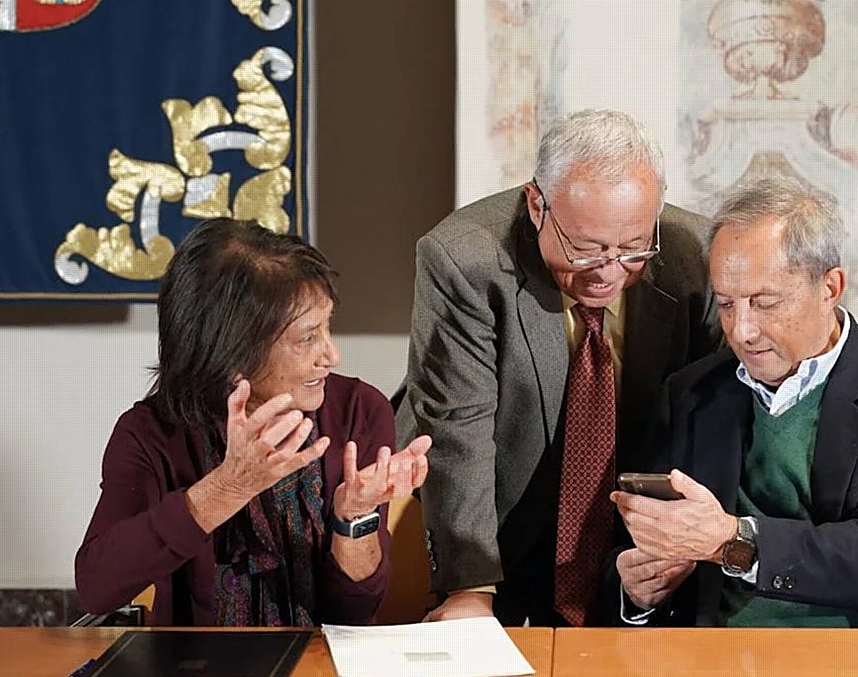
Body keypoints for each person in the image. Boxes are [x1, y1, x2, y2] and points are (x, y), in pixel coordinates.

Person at [395, 108, 721, 626]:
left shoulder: (697, 256)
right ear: (536, 204)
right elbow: (458, 429)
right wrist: (469, 589)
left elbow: (716, 415)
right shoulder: (467, 259)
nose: (609, 272)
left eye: (634, 249)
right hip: (493, 504)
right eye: (586, 249)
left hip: (629, 530)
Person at [611, 176, 858, 627]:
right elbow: (640, 556)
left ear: (830, 288)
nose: (741, 331)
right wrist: (638, 591)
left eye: (764, 303)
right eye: (726, 304)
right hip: (714, 658)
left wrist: (732, 540)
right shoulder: (691, 392)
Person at [76, 219, 431, 626]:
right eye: (307, 338)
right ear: (232, 350)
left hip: (321, 658)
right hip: (195, 661)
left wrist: (354, 518)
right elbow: (97, 588)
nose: (332, 355)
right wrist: (229, 486)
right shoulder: (150, 433)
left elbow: (354, 613)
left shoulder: (359, 410)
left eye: (327, 327)